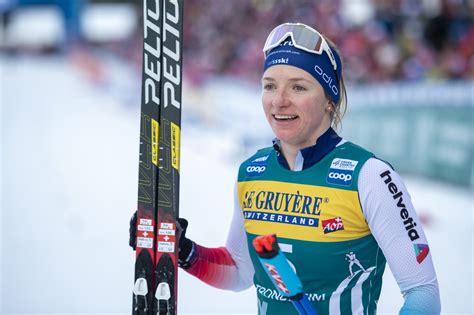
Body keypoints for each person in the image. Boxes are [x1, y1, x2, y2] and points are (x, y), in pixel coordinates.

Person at [130, 22, 441, 314]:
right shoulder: (252, 172)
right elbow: (240, 272)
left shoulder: (369, 176)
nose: (279, 101)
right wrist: (185, 252)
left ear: (329, 100)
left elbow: (423, 294)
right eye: (269, 86)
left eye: (299, 88)